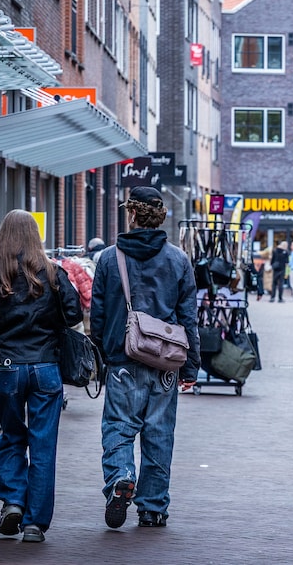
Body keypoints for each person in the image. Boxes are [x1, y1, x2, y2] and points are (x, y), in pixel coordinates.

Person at [90, 186, 201, 530]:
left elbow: (97, 315)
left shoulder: (110, 258)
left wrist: (104, 353)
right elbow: (188, 318)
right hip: (165, 363)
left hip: (124, 359)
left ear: (132, 214)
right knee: (159, 434)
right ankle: (153, 508)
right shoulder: (179, 260)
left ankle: (122, 477)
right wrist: (191, 367)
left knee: (119, 428)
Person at [0, 210, 83, 544]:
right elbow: (75, 313)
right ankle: (35, 524)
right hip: (46, 367)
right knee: (43, 444)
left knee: (11, 436)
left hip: (8, 366)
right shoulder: (53, 274)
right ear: (36, 237)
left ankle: (13, 501)